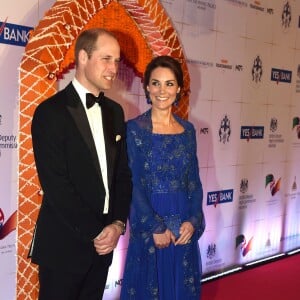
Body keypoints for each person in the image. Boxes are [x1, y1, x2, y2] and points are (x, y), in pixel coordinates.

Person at [28, 28, 132, 300]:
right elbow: (56, 185)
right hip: (64, 249)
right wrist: (98, 232)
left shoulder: (115, 112)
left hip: (102, 252)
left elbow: (122, 175)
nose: (113, 68)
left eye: (117, 60)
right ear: (83, 57)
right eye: (106, 58)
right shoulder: (50, 112)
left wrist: (118, 224)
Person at [120, 55, 205, 299]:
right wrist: (154, 226)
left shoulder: (187, 131)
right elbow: (133, 183)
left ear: (178, 88)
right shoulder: (134, 129)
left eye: (169, 84)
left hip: (182, 228)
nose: (162, 90)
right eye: (156, 83)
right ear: (147, 87)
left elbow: (194, 182)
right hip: (150, 226)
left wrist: (193, 220)